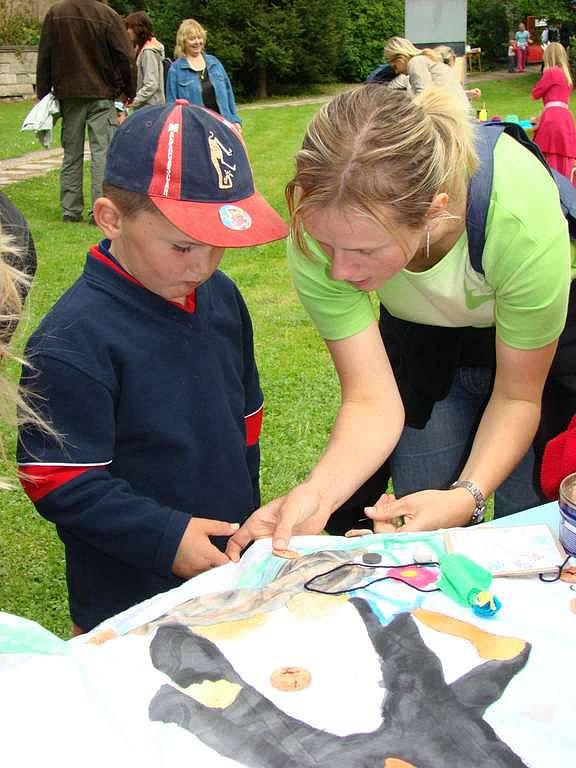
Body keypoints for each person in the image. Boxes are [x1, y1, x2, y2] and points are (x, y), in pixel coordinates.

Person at [225, 84, 575, 559]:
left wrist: (466, 495)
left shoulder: (521, 219)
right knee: (415, 508)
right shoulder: (321, 229)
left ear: (432, 213)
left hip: (534, 351)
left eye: (367, 251)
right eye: (327, 246)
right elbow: (370, 400)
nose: (340, 272)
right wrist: (319, 494)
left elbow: (517, 397)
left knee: (524, 517)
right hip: (423, 343)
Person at [16, 102, 288, 634]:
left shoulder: (223, 297)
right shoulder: (71, 342)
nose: (203, 266)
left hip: (224, 569)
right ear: (110, 218)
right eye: (183, 245)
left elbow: (245, 419)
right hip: (126, 598)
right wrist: (166, 538)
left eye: (218, 247)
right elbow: (58, 478)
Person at [36, 0, 136, 225]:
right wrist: (127, 91)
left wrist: (43, 93)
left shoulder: (56, 13)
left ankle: (70, 210)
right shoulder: (107, 14)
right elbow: (126, 57)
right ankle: (98, 210)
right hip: (102, 93)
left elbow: (45, 55)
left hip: (69, 93)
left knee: (72, 154)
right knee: (102, 153)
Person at [165, 18, 240, 126]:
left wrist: (235, 120)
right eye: (192, 39)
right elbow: (171, 106)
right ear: (183, 41)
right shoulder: (176, 70)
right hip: (194, 129)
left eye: (199, 38)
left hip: (223, 126)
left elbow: (229, 94)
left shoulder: (214, 63)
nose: (197, 42)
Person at [383, 37, 469, 109]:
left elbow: (423, 98)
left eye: (395, 66)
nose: (396, 71)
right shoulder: (427, 60)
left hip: (452, 115)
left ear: (401, 58)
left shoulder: (415, 62)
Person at [531, 42, 576, 181]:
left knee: (549, 151)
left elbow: (535, 93)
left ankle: (551, 181)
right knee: (564, 153)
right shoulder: (566, 76)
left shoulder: (551, 72)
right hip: (565, 117)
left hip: (552, 118)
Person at [124, 11, 166, 110]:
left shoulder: (148, 52)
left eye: (129, 28)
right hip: (147, 107)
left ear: (138, 29)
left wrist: (134, 101)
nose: (127, 31)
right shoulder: (140, 48)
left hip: (151, 108)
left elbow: (151, 84)